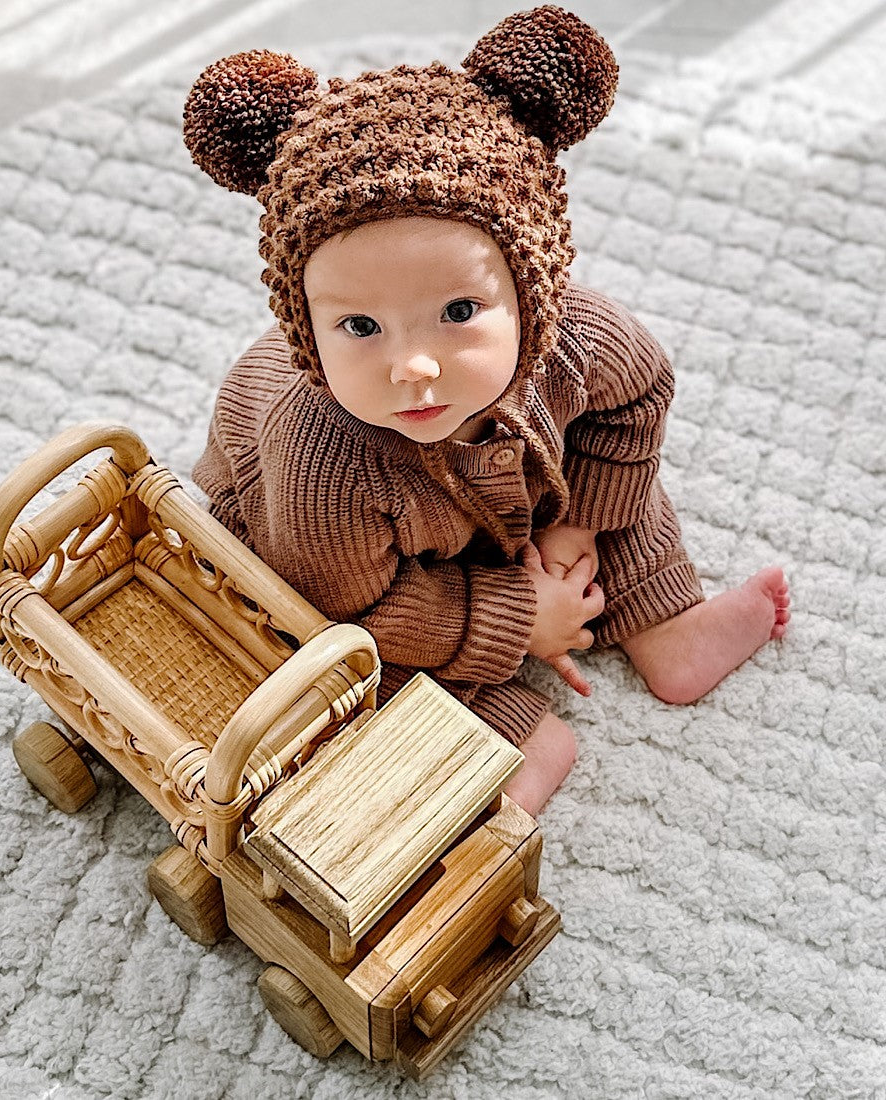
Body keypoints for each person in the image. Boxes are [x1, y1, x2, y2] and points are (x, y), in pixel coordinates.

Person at [184, 6, 790, 816]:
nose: (413, 367)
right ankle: (505, 742)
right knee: (336, 656)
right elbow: (353, 607)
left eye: (459, 312)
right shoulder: (321, 463)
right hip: (341, 564)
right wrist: (520, 618)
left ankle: (667, 622)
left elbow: (637, 402)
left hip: (511, 487)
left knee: (616, 491)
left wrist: (574, 531)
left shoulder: (574, 341)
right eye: (358, 328)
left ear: (531, 291)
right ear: (307, 324)